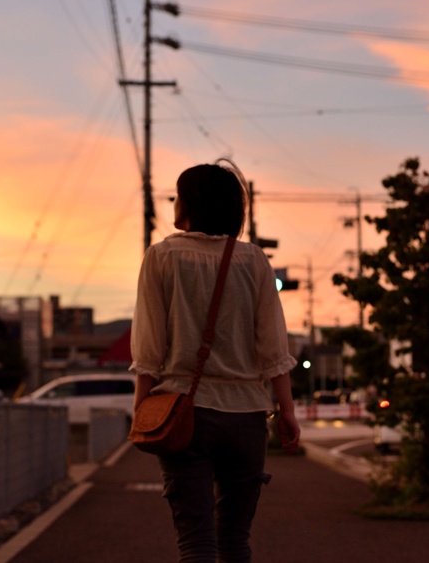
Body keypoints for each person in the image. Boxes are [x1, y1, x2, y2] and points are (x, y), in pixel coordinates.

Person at [130, 159, 300, 563]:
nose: (174, 201)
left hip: (183, 413)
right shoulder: (253, 260)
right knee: (235, 541)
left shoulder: (161, 257)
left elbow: (150, 349)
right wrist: (287, 411)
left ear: (189, 203)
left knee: (196, 543)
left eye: (178, 194)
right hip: (247, 416)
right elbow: (273, 347)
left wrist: (140, 408)